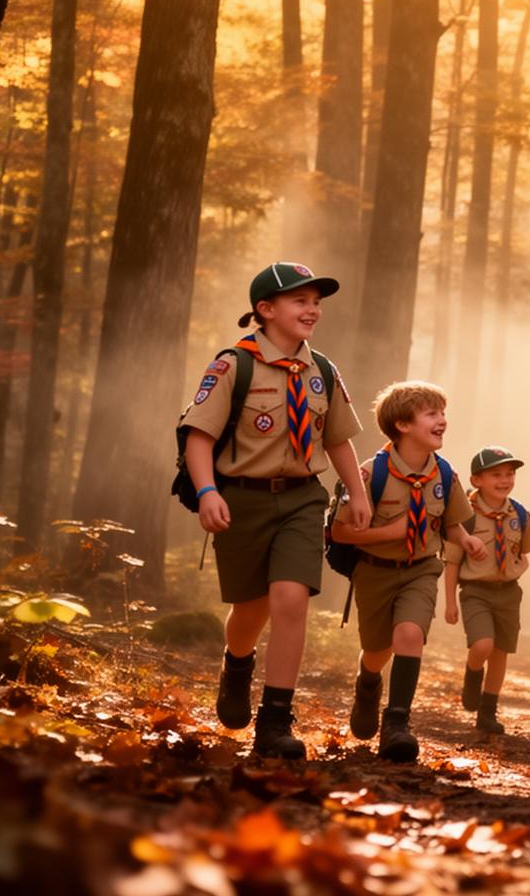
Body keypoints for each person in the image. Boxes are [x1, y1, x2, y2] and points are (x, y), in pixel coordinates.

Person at [180, 262, 367, 759]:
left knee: (290, 598)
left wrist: (358, 494)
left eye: (316, 302)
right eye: (300, 301)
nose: (312, 310)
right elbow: (199, 437)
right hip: (242, 498)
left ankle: (276, 721)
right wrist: (207, 492)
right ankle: (237, 664)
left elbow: (338, 439)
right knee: (251, 608)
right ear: (265, 309)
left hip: (303, 497)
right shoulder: (233, 366)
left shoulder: (322, 371)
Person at [327, 381, 483, 762]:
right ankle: (368, 683)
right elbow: (340, 532)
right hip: (375, 571)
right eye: (431, 414)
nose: (442, 420)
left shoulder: (444, 475)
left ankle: (397, 723)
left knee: (410, 634)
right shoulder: (369, 475)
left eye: (443, 413)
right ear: (403, 425)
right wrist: (388, 533)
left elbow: (449, 522)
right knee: (377, 650)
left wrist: (465, 540)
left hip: (421, 569)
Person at [444, 447, 530, 735]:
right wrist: (450, 603)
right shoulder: (465, 517)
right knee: (483, 645)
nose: (504, 480)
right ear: (477, 480)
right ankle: (473, 674)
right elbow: (452, 562)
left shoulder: (519, 514)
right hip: (476, 591)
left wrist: (516, 568)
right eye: (496, 474)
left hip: (508, 592)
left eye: (510, 474)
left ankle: (488, 711)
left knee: (500, 652)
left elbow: (526, 550)